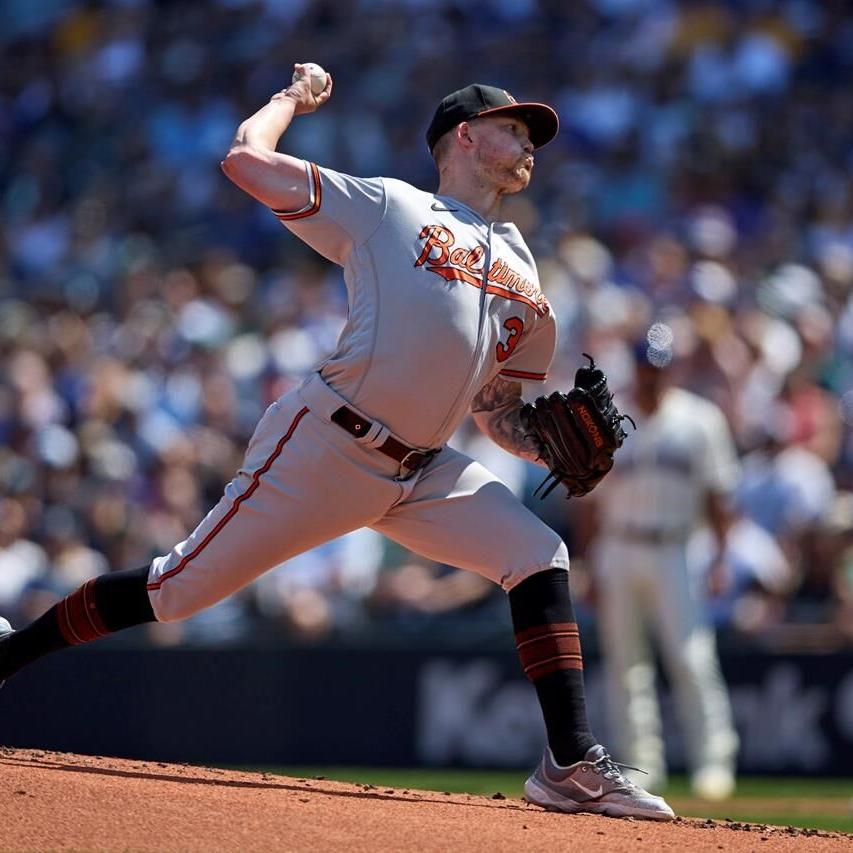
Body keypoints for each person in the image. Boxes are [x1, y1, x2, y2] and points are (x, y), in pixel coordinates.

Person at [0, 66, 673, 821]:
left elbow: (494, 409)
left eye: (531, 137)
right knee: (176, 588)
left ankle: (568, 763)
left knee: (537, 553)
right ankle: (9, 654)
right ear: (463, 136)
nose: (528, 147)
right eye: (513, 130)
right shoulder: (392, 206)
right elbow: (243, 161)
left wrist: (546, 447)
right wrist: (290, 101)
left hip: (424, 470)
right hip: (326, 444)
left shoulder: (520, 263)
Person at [580, 341, 740, 800]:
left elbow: (718, 495)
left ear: (670, 369)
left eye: (658, 366)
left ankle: (714, 760)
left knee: (691, 657)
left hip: (676, 547)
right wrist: (590, 563)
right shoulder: (610, 417)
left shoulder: (700, 420)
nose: (651, 375)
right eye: (644, 366)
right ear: (633, 368)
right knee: (626, 665)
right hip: (620, 545)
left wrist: (723, 558)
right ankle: (644, 765)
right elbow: (588, 503)